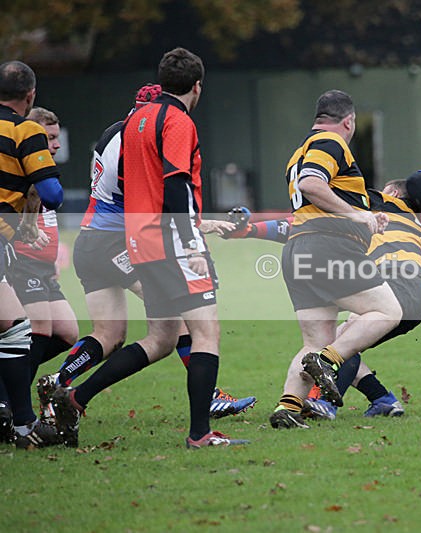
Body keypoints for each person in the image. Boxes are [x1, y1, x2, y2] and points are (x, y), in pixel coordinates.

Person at [52, 47, 248, 448]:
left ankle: (76, 395)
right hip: (174, 242)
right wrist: (192, 241)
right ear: (197, 86)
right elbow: (176, 184)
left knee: (161, 338)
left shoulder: (136, 120)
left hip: (140, 243)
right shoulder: (178, 121)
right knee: (206, 333)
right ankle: (200, 434)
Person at [270, 89, 403, 429]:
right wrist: (356, 216)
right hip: (328, 248)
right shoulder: (332, 142)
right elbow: (312, 184)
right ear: (348, 121)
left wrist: (364, 213)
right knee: (389, 311)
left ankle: (287, 406)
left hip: (298, 249)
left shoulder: (298, 152)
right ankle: (326, 361)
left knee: (315, 339)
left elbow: (315, 196)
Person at [0, 60, 64, 449]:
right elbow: (53, 194)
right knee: (17, 327)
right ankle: (23, 424)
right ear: (31, 96)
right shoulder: (25, 130)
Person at [8, 107, 79, 394]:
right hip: (22, 261)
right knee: (39, 327)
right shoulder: (19, 167)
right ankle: (15, 399)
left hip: (43, 267)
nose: (57, 144)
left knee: (67, 331)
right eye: (50, 137)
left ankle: (11, 382)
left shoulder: (45, 170)